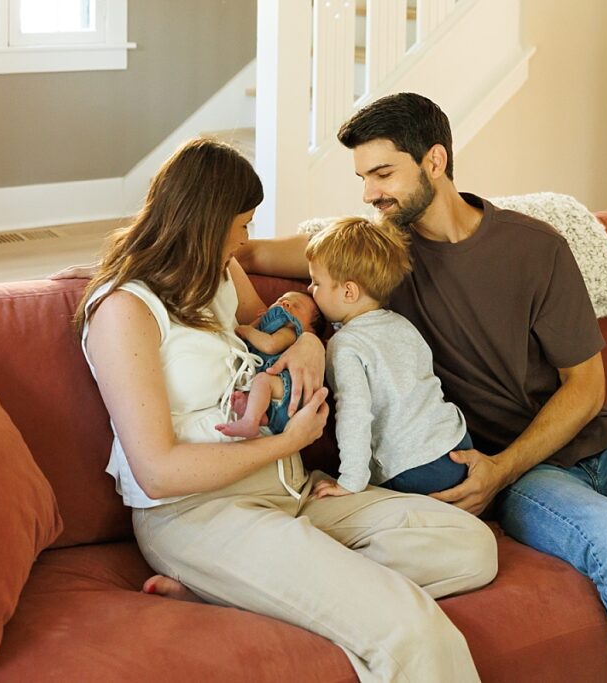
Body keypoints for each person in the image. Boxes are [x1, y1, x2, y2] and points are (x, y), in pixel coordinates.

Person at [235, 93, 607, 683]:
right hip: (524, 476)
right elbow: (249, 252)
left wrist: (505, 465)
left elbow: (585, 388)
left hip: (600, 446)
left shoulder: (534, 246)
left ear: (435, 161)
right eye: (364, 178)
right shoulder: (381, 256)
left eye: (383, 173)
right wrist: (309, 331)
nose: (370, 193)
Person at [75, 137, 496, 682]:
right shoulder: (124, 309)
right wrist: (287, 441)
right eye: (243, 222)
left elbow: (282, 328)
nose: (246, 238)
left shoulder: (219, 274)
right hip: (201, 513)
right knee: (410, 630)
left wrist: (311, 344)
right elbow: (158, 472)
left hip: (294, 494)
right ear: (209, 219)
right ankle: (280, 581)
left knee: (469, 546)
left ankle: (251, 590)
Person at [303, 217, 473, 499]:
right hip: (457, 444)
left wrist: (350, 481)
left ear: (348, 291)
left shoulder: (346, 345)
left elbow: (354, 413)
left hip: (413, 468)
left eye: (315, 282)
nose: (309, 290)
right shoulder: (402, 325)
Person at [215, 291, 323, 438]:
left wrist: (247, 330)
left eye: (296, 306)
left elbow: (270, 345)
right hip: (275, 401)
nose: (285, 303)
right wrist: (259, 322)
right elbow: (249, 342)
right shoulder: (269, 329)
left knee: (261, 380)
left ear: (309, 330)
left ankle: (249, 421)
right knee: (255, 385)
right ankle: (260, 415)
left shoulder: (290, 331)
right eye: (281, 299)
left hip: (288, 393)